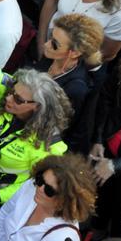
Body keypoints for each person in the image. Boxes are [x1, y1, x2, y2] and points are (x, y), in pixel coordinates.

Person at [0, 54, 72, 230]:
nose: (9, 99)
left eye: (18, 99)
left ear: (37, 107)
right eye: (11, 92)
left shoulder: (50, 146)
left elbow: (34, 184)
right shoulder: (6, 96)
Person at [37, 14, 103, 150]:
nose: (46, 44)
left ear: (74, 53)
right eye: (50, 37)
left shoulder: (76, 88)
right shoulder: (51, 57)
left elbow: (61, 128)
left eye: (55, 44)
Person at [89, 48, 121, 239]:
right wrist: (98, 139)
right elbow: (106, 98)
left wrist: (116, 166)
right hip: (107, 155)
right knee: (97, 207)